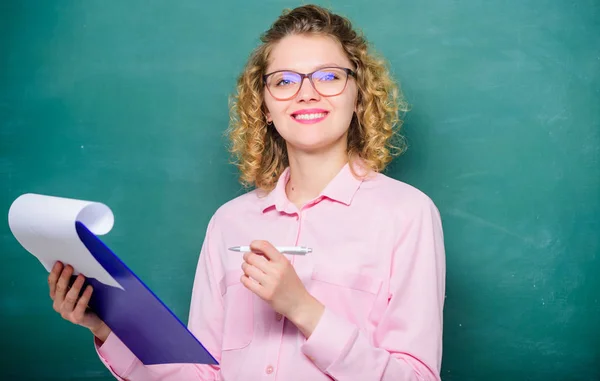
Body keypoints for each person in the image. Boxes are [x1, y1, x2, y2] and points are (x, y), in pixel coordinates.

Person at [48, 4, 446, 380]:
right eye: (285, 81)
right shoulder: (229, 222)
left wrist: (302, 309)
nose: (307, 93)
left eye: (328, 76)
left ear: (358, 96)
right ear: (265, 108)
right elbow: (201, 373)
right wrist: (106, 325)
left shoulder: (406, 214)